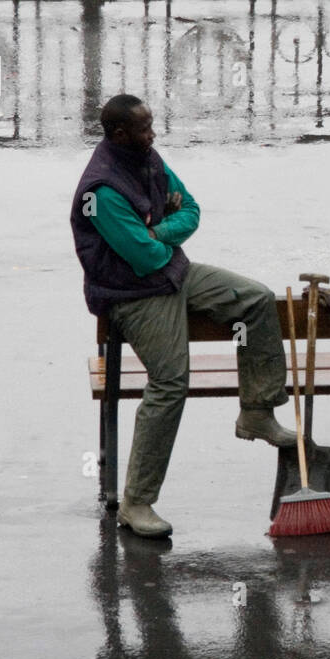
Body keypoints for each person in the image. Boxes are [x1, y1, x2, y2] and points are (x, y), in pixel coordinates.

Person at [69, 94, 294, 538]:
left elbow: (190, 211)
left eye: (152, 126)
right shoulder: (102, 190)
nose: (154, 134)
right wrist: (159, 236)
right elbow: (145, 255)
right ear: (119, 135)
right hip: (133, 292)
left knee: (256, 300)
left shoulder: (147, 158)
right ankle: (137, 502)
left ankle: (256, 411)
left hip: (174, 273)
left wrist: (159, 229)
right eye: (145, 128)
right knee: (171, 382)